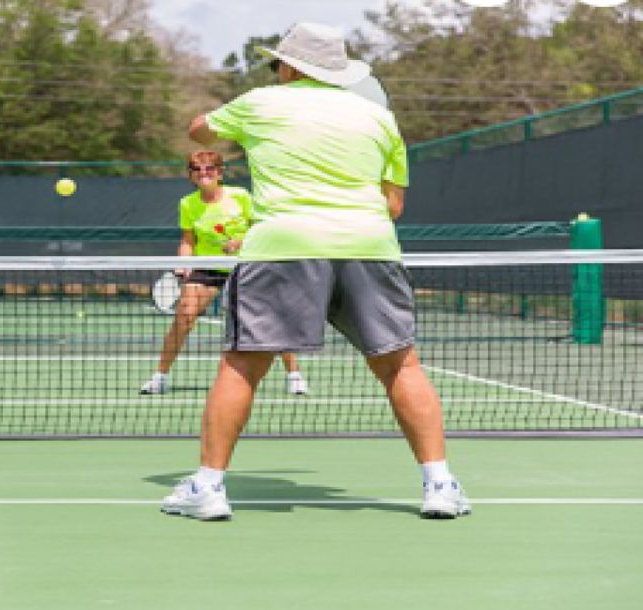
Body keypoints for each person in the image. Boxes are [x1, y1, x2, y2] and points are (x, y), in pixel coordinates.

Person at [161, 22, 469, 521]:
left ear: (289, 66)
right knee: (401, 366)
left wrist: (245, 134)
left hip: (284, 246)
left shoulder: (261, 102)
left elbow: (198, 130)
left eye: (276, 63)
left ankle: (208, 488)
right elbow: (393, 205)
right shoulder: (379, 119)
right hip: (369, 246)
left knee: (242, 364)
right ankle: (441, 485)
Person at [140, 150, 307, 397]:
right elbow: (188, 240)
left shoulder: (241, 197)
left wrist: (240, 242)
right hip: (207, 267)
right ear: (190, 175)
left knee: (271, 319)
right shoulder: (188, 203)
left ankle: (294, 375)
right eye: (197, 170)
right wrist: (183, 262)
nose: (203, 174)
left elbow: (261, 227)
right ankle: (160, 377)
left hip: (246, 265)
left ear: (219, 172)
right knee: (184, 316)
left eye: (209, 169)